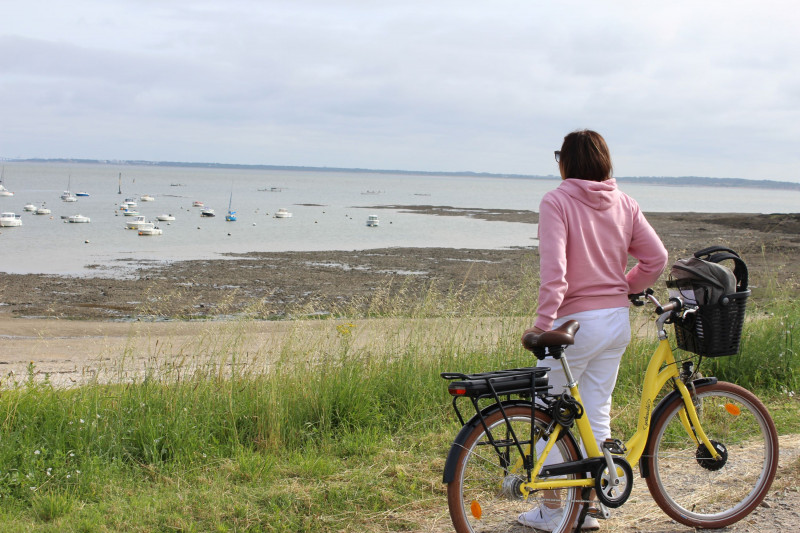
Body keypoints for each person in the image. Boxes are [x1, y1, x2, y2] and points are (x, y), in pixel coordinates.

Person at [517, 130, 668, 531]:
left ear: (566, 162)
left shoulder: (557, 200)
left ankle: (555, 512)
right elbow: (656, 258)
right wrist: (627, 286)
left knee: (548, 415)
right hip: (616, 322)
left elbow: (555, 275)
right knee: (594, 411)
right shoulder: (626, 203)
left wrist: (540, 326)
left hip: (576, 325)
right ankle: (590, 506)